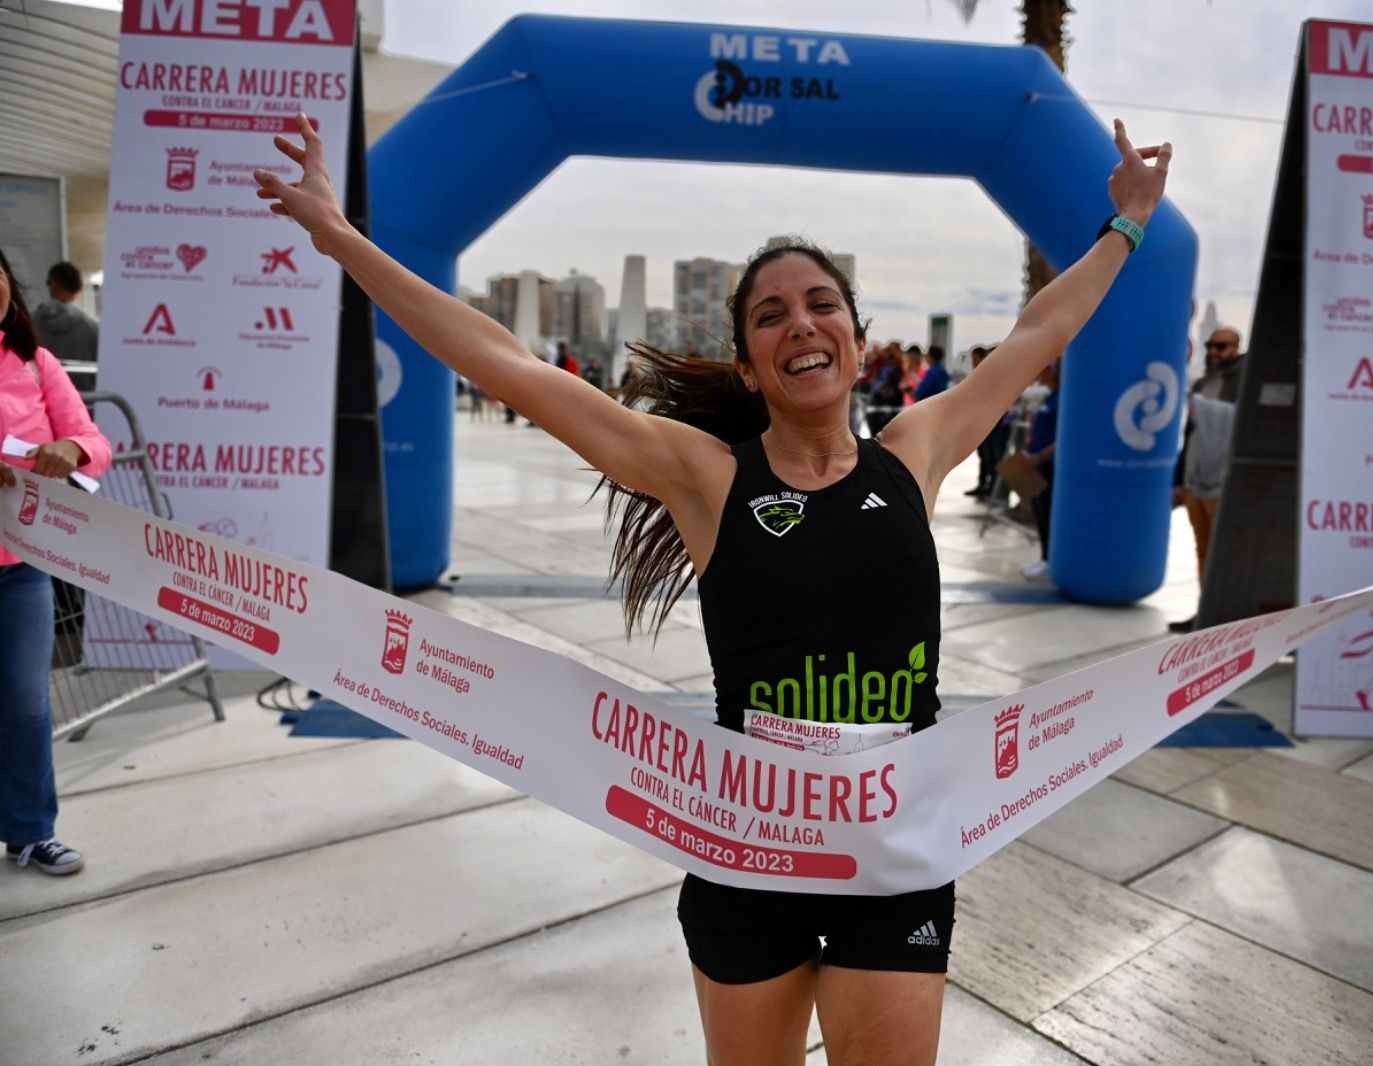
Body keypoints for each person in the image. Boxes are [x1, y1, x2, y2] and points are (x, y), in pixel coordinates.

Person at [254, 111, 1170, 1065]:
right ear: (746, 363)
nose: (800, 323)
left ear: (857, 342)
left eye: (821, 304)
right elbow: (508, 365)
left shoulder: (917, 451)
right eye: (770, 315)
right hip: (748, 842)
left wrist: (1130, 222)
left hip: (897, 841)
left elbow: (1040, 328)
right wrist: (340, 238)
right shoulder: (706, 475)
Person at [0, 246, 113, 876]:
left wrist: (70, 447)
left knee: (25, 702)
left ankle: (29, 831)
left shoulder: (35, 362)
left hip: (21, 568)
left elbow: (97, 441)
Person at [1168, 326, 1244, 631]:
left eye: (1221, 346)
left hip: (1223, 482)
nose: (1214, 351)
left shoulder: (1243, 381)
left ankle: (1227, 615)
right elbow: (1190, 434)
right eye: (1211, 345)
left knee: (1223, 553)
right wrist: (1179, 479)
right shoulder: (1201, 383)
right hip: (1194, 480)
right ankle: (1207, 610)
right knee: (1202, 549)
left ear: (1236, 348)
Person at [1019, 361, 1061, 580]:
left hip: (1047, 464)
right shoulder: (1050, 395)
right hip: (1035, 462)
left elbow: (1062, 437)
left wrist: (1039, 457)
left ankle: (1051, 560)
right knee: (1039, 510)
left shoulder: (1062, 398)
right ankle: (1045, 556)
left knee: (1047, 511)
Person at [32, 262, 99, 390]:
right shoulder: (94, 327)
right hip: (85, 403)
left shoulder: (26, 324)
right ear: (80, 286)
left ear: (53, 283)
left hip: (39, 404)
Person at [963, 345, 1009, 498]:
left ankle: (995, 489)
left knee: (996, 456)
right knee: (985, 456)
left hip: (996, 424)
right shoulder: (985, 375)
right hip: (983, 423)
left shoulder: (1002, 377)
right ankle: (985, 484)